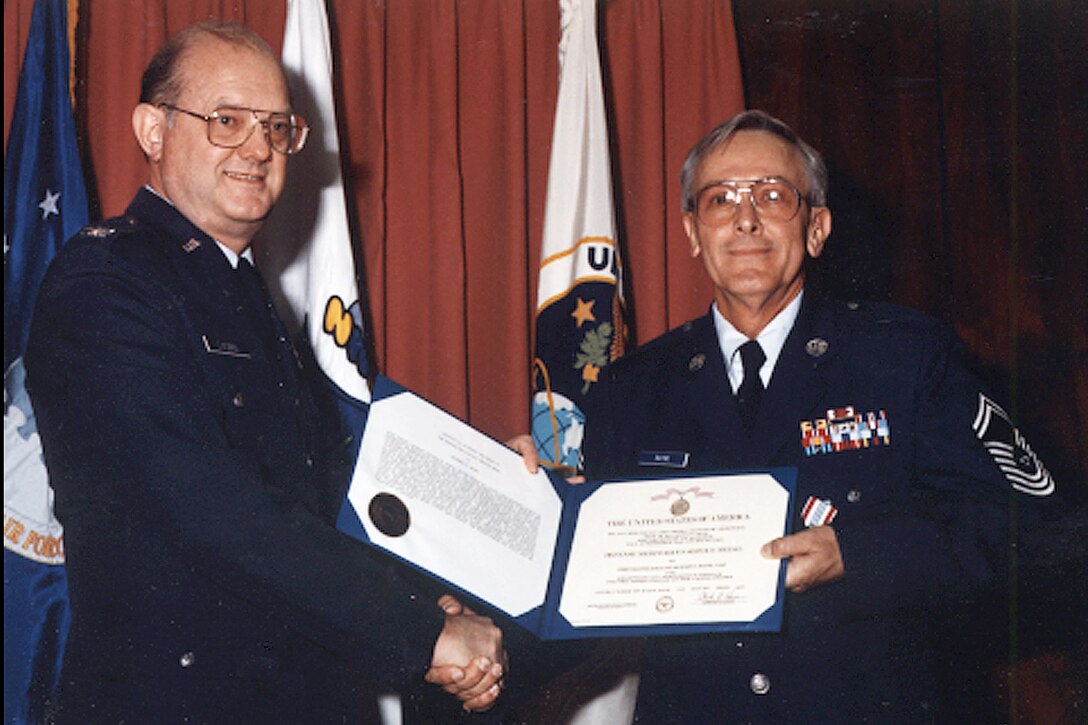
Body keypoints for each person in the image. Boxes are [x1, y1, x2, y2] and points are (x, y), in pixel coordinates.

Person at [25, 20, 513, 723]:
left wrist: (481, 526)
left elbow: (323, 493)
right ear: (152, 131)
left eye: (277, 127)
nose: (258, 147)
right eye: (226, 121)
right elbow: (210, 506)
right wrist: (420, 632)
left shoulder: (241, 291)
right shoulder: (106, 281)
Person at [581, 109, 1061, 721]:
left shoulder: (904, 356)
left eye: (773, 196)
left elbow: (1029, 523)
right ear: (692, 231)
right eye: (720, 199)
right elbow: (585, 579)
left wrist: (855, 555)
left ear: (817, 228)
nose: (745, 219)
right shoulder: (632, 388)